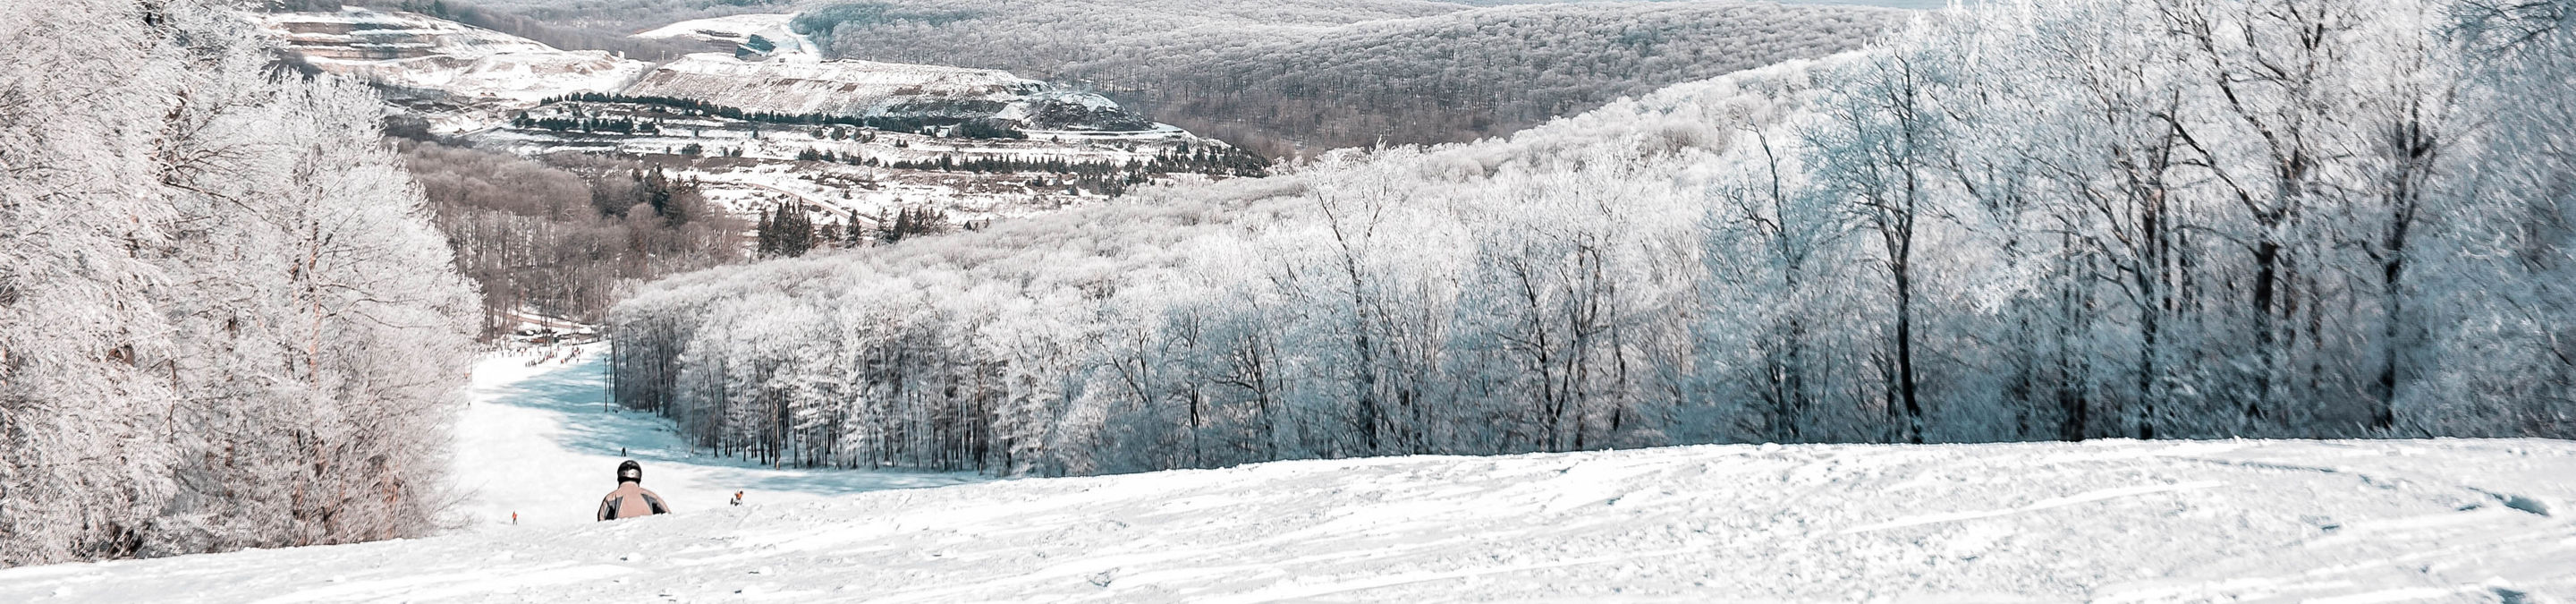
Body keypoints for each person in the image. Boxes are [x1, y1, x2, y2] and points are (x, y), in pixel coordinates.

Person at [597, 460, 671, 522]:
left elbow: (602, 523)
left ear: (619, 478)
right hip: (649, 536)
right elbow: (668, 518)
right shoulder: (651, 496)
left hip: (620, 536)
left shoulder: (611, 497)